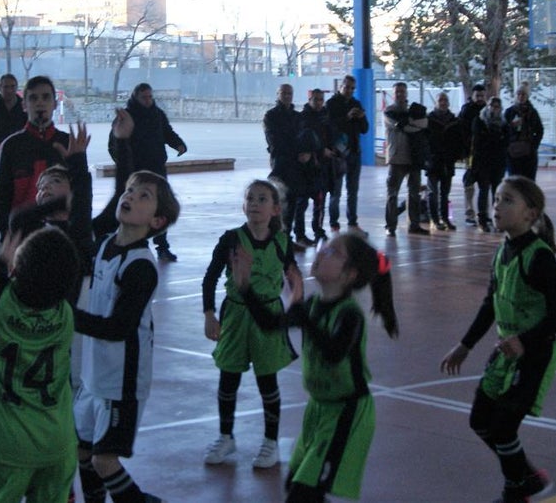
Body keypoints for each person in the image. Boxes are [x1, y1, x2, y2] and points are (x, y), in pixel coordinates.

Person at [0, 117, 84, 503]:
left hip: (2, 448)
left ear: (15, 264)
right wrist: (78, 167)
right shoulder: (66, 306)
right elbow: (75, 234)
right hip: (57, 444)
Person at [233, 231, 398, 502]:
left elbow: (334, 353)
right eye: (324, 247)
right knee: (298, 488)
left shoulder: (349, 314)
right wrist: (246, 289)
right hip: (319, 411)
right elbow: (269, 323)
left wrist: (306, 321)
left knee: (303, 495)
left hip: (347, 413)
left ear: (350, 274)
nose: (321, 253)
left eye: (333, 252)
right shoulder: (312, 305)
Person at [440, 176, 556, 503]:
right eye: (497, 198)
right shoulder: (503, 250)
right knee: (480, 420)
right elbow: (491, 302)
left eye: (507, 200)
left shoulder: (538, 256)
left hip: (534, 354)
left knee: (502, 428)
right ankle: (525, 477)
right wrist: (465, 344)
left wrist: (526, 341)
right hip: (507, 352)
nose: (497, 205)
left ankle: (516, 490)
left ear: (530, 214)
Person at [72, 169, 181, 503]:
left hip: (122, 381)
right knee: (82, 452)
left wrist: (67, 317)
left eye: (143, 195)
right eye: (130, 190)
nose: (130, 195)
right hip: (94, 373)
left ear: (158, 221)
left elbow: (119, 328)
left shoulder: (140, 266)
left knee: (105, 460)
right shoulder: (105, 245)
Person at [201, 179, 303, 469]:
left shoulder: (282, 242)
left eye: (262, 199)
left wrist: (296, 296)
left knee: (267, 380)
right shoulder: (231, 239)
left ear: (274, 209)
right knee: (228, 376)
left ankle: (271, 442)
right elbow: (210, 278)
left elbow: (292, 277)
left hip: (267, 318)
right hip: (235, 315)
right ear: (243, 206)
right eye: (251, 199)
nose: (255, 204)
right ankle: (226, 436)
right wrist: (209, 314)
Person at [107, 82, 186, 261]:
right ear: (136, 97)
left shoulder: (157, 114)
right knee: (131, 209)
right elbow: (113, 145)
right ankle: (126, 245)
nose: (149, 100)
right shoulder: (126, 117)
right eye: (145, 97)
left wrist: (179, 144)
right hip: (134, 174)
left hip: (157, 170)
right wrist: (124, 164)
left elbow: (167, 132)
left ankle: (162, 247)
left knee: (159, 209)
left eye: (150, 97)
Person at [0, 75, 71, 240]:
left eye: (46, 97)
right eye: (33, 98)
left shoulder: (68, 144)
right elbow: (0, 198)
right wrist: (7, 236)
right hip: (21, 239)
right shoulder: (10, 146)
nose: (40, 103)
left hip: (62, 238)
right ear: (24, 105)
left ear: (55, 104)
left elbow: (81, 195)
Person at [382, 83, 430, 236]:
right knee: (392, 194)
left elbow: (423, 125)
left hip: (414, 158)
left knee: (414, 193)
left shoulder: (412, 110)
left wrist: (408, 123)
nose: (400, 94)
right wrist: (412, 124)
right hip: (397, 158)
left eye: (402, 91)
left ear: (407, 93)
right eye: (397, 91)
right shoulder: (388, 112)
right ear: (393, 93)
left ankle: (414, 225)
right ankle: (391, 226)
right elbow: (403, 127)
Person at [325, 75, 369, 233]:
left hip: (354, 152)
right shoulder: (331, 104)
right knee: (336, 191)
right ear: (340, 87)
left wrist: (362, 117)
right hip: (338, 154)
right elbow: (330, 127)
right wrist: (347, 117)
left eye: (352, 88)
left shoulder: (356, 104)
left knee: (353, 190)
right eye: (347, 87)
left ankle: (352, 221)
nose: (349, 90)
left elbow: (365, 129)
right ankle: (334, 223)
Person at [263, 84, 303, 242]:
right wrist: (295, 148)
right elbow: (274, 141)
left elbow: (302, 138)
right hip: (280, 164)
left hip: (296, 166)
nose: (287, 96)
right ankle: (276, 236)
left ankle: (287, 237)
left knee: (293, 201)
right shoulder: (271, 116)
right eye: (284, 93)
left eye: (290, 93)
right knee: (278, 201)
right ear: (278, 94)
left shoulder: (297, 116)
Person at [294, 89, 333, 245]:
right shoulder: (302, 118)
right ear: (309, 99)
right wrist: (318, 150)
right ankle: (300, 233)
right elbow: (301, 140)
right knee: (301, 203)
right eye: (315, 99)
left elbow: (331, 136)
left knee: (320, 202)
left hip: (321, 167)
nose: (318, 102)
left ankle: (318, 230)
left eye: (321, 99)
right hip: (305, 168)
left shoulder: (326, 117)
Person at [470, 97, 509, 233]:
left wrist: (496, 139)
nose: (494, 108)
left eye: (497, 106)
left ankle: (497, 219)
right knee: (483, 190)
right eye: (492, 106)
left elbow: (506, 141)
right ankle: (482, 219)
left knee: (497, 193)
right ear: (488, 106)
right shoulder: (479, 121)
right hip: (483, 162)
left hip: (498, 163)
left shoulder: (504, 123)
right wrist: (496, 138)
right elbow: (480, 141)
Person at [426, 91, 462, 231]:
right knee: (432, 192)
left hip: (448, 161)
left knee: (445, 192)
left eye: (445, 100)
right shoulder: (429, 119)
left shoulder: (454, 121)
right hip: (433, 160)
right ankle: (434, 219)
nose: (443, 102)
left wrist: (456, 155)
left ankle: (445, 218)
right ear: (436, 102)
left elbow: (458, 140)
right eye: (440, 100)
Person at [458, 84, 488, 225]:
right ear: (473, 96)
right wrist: (464, 151)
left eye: (482, 95)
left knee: (484, 185)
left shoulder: (488, 110)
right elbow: (461, 133)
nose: (480, 98)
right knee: (469, 183)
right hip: (470, 154)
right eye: (478, 96)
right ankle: (469, 214)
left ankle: (484, 213)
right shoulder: (467, 111)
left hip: (485, 155)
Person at [503, 87, 543, 180]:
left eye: (523, 94)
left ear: (527, 96)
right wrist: (512, 125)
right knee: (514, 181)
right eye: (518, 94)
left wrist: (534, 145)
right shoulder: (509, 112)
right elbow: (503, 130)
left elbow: (539, 130)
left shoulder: (532, 112)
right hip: (513, 152)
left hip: (529, 153)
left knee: (529, 181)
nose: (521, 97)